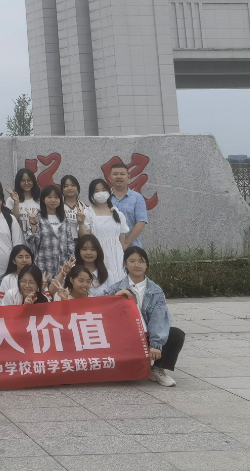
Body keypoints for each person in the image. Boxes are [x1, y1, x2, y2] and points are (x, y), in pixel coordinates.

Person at [106, 247, 184, 387]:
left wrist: (155, 344)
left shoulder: (156, 291)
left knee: (176, 334)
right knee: (126, 377)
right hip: (124, 339)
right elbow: (103, 314)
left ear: (146, 264)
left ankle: (157, 370)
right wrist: (114, 299)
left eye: (141, 261)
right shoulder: (115, 289)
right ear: (125, 264)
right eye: (132, 261)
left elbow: (159, 319)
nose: (137, 265)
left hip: (147, 336)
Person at [23, 184, 81, 281]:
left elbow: (70, 242)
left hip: (62, 268)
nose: (53, 200)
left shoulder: (63, 219)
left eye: (56, 197)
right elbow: (32, 242)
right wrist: (33, 224)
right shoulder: (37, 218)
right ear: (43, 199)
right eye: (49, 197)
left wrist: (71, 263)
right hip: (43, 266)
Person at [85, 178, 130, 286]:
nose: (101, 193)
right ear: (91, 194)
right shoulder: (87, 213)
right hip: (98, 254)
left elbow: (122, 242)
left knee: (118, 284)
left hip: (116, 256)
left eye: (103, 190)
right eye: (96, 191)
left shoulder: (118, 214)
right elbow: (85, 237)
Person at [108, 162, 149, 249]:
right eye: (115, 174)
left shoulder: (137, 198)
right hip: (108, 247)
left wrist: (126, 243)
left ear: (129, 177)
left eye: (122, 174)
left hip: (132, 247)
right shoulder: (105, 197)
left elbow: (141, 222)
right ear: (110, 178)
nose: (119, 176)